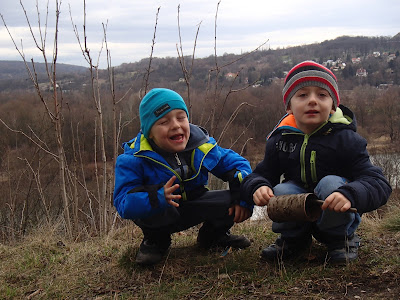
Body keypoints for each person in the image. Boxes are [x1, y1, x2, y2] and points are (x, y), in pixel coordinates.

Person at [241, 61, 392, 264]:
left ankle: (341, 240)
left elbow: (378, 183)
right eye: (302, 95)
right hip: (298, 213)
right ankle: (293, 240)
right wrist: (257, 187)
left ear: (333, 106)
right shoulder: (280, 140)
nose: (312, 101)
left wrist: (350, 194)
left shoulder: (347, 139)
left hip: (335, 215)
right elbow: (260, 174)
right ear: (289, 106)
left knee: (330, 184)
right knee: (281, 190)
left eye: (322, 95)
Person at [114, 88, 253, 266]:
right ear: (149, 132)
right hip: (162, 212)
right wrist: (158, 196)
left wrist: (241, 194)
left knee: (237, 195)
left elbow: (237, 165)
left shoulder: (200, 144)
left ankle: (212, 236)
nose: (175, 125)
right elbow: (123, 202)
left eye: (181, 117)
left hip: (195, 203)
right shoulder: (134, 158)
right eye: (164, 122)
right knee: (156, 209)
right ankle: (156, 241)